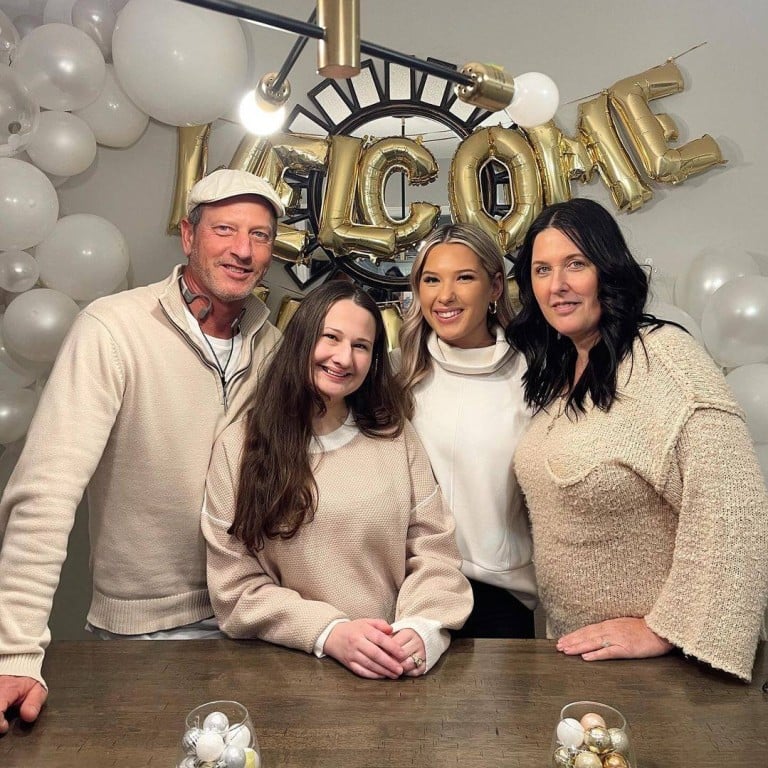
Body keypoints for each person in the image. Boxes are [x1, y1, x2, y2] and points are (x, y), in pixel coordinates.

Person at [0, 169, 284, 731]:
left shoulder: (270, 344)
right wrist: (14, 651)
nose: (243, 250)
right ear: (188, 235)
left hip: (252, 616)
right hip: (143, 631)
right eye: (225, 229)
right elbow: (46, 492)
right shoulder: (113, 328)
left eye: (260, 235)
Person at [507, 197, 768, 681]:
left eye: (575, 265)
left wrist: (666, 630)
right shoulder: (563, 370)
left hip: (667, 668)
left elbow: (734, 509)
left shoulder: (667, 359)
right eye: (542, 270)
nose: (557, 285)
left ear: (608, 270)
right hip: (585, 655)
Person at [203, 280, 472, 679]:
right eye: (331, 337)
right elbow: (235, 588)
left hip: (391, 663)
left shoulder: (394, 436)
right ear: (302, 338)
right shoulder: (238, 447)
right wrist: (330, 633)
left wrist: (421, 628)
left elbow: (435, 551)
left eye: (361, 346)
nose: (344, 357)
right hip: (285, 671)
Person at [395, 223, 537, 638]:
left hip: (502, 599)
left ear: (495, 288)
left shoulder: (534, 377)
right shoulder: (399, 376)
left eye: (464, 278)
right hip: (412, 590)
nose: (446, 296)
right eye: (432, 279)